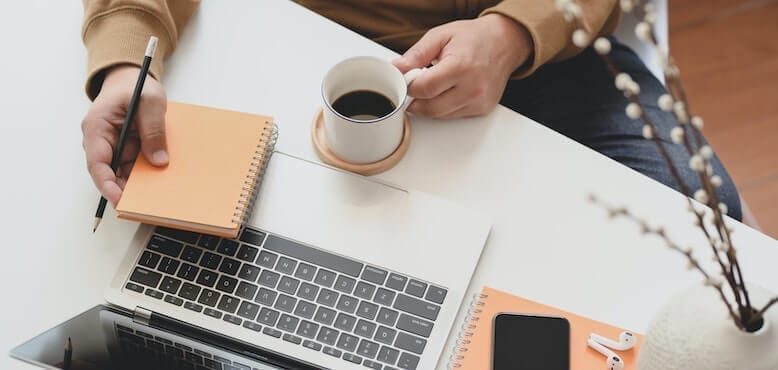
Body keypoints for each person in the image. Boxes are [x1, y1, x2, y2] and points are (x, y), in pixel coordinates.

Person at [80, 0, 743, 221]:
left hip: (537, 48)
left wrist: (514, 31)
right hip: (308, 45)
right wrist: (121, 67)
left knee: (700, 221)